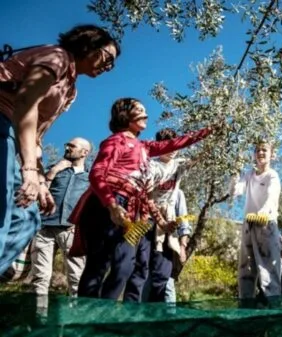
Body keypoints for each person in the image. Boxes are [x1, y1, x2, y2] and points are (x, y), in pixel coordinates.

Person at [0, 24, 120, 274]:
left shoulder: (71, 89)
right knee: (5, 215)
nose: (108, 68)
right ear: (88, 45)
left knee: (27, 220)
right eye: (107, 58)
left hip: (15, 140)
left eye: (112, 65)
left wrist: (40, 180)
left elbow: (37, 134)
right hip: (3, 124)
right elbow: (25, 101)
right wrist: (29, 169)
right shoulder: (57, 57)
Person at [71, 98, 214, 300]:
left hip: (132, 212)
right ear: (125, 116)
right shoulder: (116, 141)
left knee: (125, 266)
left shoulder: (144, 147)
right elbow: (97, 173)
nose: (146, 115)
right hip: (108, 205)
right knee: (98, 264)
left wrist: (206, 131)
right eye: (140, 111)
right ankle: (85, 315)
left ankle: (102, 310)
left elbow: (173, 143)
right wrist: (111, 205)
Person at [124, 128, 194, 303]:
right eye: (166, 146)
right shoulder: (151, 167)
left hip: (166, 229)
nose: (171, 150)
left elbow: (201, 157)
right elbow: (145, 196)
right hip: (146, 222)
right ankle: (130, 315)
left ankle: (154, 315)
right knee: (140, 270)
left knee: (162, 275)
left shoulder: (178, 166)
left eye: (174, 146)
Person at [30, 137, 91, 303]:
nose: (67, 147)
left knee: (76, 278)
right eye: (67, 144)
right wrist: (53, 171)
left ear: (85, 152)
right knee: (40, 278)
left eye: (72, 145)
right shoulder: (54, 170)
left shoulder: (90, 178)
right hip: (44, 228)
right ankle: (38, 319)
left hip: (71, 230)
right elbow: (38, 192)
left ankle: (76, 320)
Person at [229, 140, 282, 307]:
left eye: (264, 150)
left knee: (268, 272)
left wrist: (262, 213)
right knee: (246, 269)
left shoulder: (272, 175)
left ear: (271, 154)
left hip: (266, 224)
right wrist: (234, 173)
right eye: (257, 150)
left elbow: (271, 196)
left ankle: (273, 311)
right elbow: (234, 191)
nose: (260, 153)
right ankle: (246, 310)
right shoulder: (249, 175)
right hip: (248, 225)